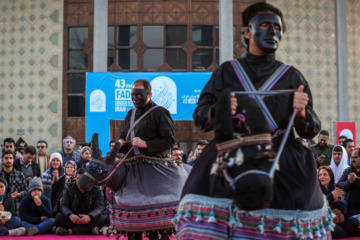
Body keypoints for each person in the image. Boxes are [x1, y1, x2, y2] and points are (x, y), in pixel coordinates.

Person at [177, 3, 327, 239]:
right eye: (265, 25)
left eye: (277, 28)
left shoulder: (292, 76)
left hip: (282, 157)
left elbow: (311, 130)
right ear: (247, 32)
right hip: (230, 151)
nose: (272, 32)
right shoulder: (226, 72)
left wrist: (302, 113)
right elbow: (201, 118)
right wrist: (220, 110)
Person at [117, 79, 191, 240]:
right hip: (132, 169)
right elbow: (123, 136)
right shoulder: (130, 113)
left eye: (139, 95)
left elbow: (170, 141)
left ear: (149, 94)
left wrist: (146, 144)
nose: (135, 98)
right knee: (133, 221)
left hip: (155, 169)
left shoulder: (160, 112)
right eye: (132, 95)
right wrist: (120, 143)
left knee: (157, 227)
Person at [54, 168, 106, 235]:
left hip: (89, 218)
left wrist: (90, 216)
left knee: (102, 219)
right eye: (78, 178)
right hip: (74, 218)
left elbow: (100, 207)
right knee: (58, 217)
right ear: (75, 179)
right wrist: (70, 215)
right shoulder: (69, 188)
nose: (80, 181)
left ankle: (70, 231)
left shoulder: (97, 190)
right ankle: (89, 230)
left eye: (83, 179)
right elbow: (63, 205)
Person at [318, 166, 359, 238]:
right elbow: (317, 206)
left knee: (354, 223)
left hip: (337, 219)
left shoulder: (335, 190)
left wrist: (336, 202)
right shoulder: (316, 191)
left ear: (331, 177)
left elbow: (343, 210)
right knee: (339, 231)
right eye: (320, 175)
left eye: (325, 174)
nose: (322, 177)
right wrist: (331, 197)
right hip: (324, 221)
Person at [0, 150, 28, 216]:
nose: (8, 160)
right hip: (1, 207)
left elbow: (26, 191)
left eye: (10, 158)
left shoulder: (20, 175)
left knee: (16, 221)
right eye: (6, 158)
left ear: (14, 160)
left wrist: (18, 194)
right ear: (2, 160)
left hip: (16, 208)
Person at [338, 148, 360, 217]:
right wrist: (350, 182)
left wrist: (356, 179)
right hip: (349, 210)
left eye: (355, 157)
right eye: (351, 157)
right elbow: (340, 185)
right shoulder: (348, 170)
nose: (352, 160)